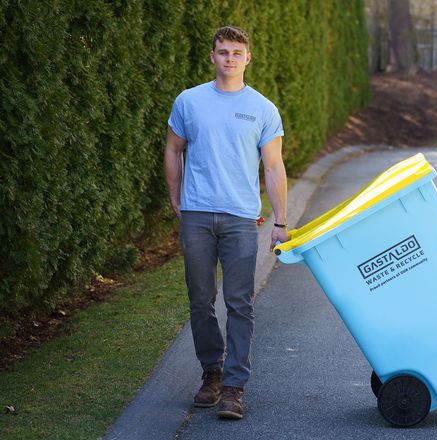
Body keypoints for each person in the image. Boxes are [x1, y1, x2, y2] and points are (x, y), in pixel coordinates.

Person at [164, 25, 288, 420]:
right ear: (212, 56)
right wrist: (176, 198)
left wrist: (280, 221)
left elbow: (273, 165)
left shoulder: (263, 108)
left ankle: (234, 386)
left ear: (248, 58)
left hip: (239, 218)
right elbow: (173, 148)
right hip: (197, 215)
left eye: (237, 52)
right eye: (223, 52)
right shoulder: (189, 101)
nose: (230, 58)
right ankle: (211, 373)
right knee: (200, 301)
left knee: (239, 303)